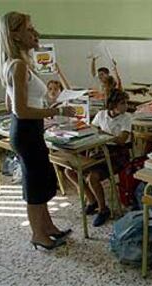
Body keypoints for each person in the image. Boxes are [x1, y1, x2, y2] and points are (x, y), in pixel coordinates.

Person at [0, 11, 76, 249]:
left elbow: (11, 104)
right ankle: (37, 235)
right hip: (26, 131)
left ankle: (48, 226)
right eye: (30, 29)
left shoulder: (15, 63)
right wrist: (57, 112)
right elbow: (20, 110)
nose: (36, 33)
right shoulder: (19, 66)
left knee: (41, 180)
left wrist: (45, 107)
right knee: (33, 184)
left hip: (27, 130)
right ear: (16, 35)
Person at [65, 89, 132, 227]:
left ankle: (103, 209)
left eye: (126, 102)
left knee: (92, 177)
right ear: (113, 104)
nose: (126, 106)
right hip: (100, 150)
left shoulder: (126, 117)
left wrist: (103, 134)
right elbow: (91, 129)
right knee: (69, 171)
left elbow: (121, 140)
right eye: (122, 103)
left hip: (118, 154)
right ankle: (92, 200)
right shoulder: (101, 114)